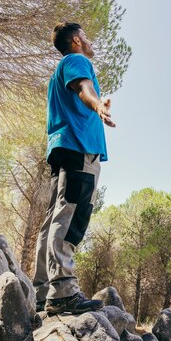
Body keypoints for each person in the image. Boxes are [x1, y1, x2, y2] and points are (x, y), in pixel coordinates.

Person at [32, 22, 116, 314]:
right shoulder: (76, 60)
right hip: (79, 147)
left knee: (55, 215)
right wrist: (98, 106)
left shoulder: (59, 70)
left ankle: (42, 291)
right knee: (72, 213)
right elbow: (85, 87)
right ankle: (63, 289)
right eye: (87, 37)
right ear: (77, 40)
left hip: (62, 148)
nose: (90, 42)